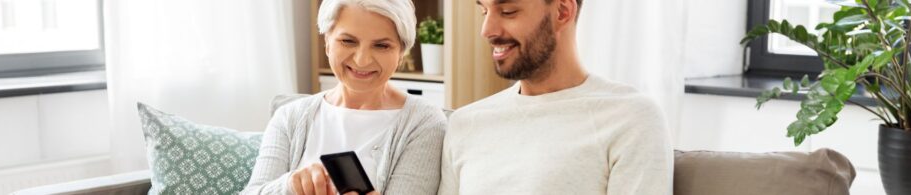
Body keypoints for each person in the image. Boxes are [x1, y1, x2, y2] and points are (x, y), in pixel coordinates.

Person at [439, 0, 673, 194]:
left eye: (508, 11)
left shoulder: (630, 118)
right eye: (484, 11)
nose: (487, 30)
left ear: (562, 12)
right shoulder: (465, 123)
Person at [241, 0, 445, 194]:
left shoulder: (424, 123)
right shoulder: (289, 117)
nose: (362, 60)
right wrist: (290, 186)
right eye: (348, 41)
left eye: (381, 46)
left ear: (401, 52)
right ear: (327, 41)